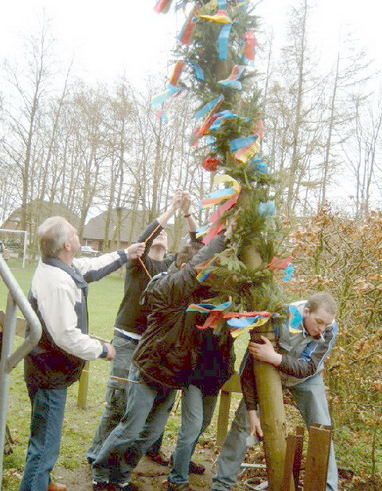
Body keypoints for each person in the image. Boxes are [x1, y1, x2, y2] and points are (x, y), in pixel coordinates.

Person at [92, 227, 235, 491]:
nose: (203, 278)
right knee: (130, 429)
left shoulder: (200, 295)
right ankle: (101, 474)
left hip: (173, 376)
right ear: (183, 267)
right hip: (148, 371)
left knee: (150, 434)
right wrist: (223, 238)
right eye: (201, 272)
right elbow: (192, 272)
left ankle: (121, 476)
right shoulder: (165, 286)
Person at [19, 216, 145, 491]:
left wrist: (126, 254)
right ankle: (36, 482)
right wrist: (101, 349)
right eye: (75, 234)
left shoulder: (64, 267)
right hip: (48, 373)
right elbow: (67, 336)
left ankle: (44, 480)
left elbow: (91, 267)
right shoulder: (57, 282)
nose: (79, 237)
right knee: (45, 444)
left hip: (49, 369)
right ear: (67, 244)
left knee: (43, 434)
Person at [87, 190, 200, 469]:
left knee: (153, 403)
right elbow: (143, 238)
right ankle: (97, 452)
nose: (161, 236)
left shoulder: (173, 268)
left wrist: (187, 213)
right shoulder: (139, 261)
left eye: (165, 234)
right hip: (128, 339)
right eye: (158, 235)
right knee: (119, 401)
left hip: (155, 345)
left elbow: (200, 244)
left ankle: (149, 450)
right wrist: (172, 209)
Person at [211, 292, 339, 491]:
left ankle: (329, 487)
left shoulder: (330, 330)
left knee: (321, 426)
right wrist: (253, 411)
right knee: (244, 424)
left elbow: (308, 367)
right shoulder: (279, 318)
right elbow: (249, 367)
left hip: (306, 378)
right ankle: (222, 483)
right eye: (318, 322)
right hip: (272, 374)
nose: (322, 329)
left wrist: (274, 357)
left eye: (327, 324)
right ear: (306, 312)